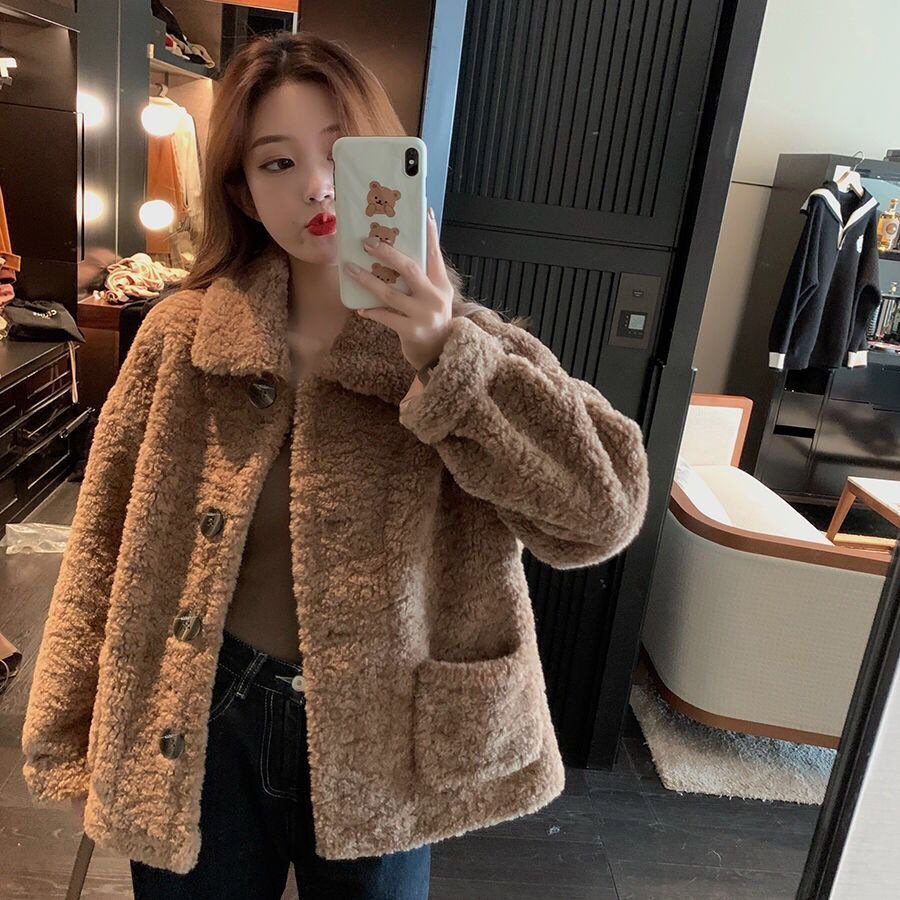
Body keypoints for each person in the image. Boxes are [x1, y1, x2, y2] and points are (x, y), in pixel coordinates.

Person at [22, 30, 650, 900]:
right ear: (242, 191)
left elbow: (602, 516)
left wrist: (444, 356)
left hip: (388, 738)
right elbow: (101, 542)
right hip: (201, 719)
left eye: (341, 153)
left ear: (391, 162)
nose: (316, 186)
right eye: (277, 163)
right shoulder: (183, 338)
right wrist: (69, 729)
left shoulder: (468, 352)